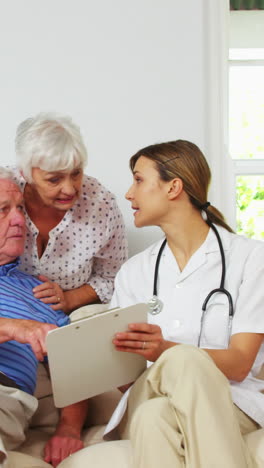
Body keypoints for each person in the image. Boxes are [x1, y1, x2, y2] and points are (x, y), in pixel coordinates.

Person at [104, 140, 264, 467]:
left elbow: (239, 364)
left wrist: (165, 348)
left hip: (232, 400)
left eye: (139, 180)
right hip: (148, 390)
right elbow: (121, 374)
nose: (129, 194)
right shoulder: (134, 272)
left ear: (173, 187)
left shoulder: (250, 258)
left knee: (154, 418)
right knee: (181, 364)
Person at [10, 112, 127, 314]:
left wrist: (69, 299)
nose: (70, 189)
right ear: (25, 174)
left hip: (71, 319)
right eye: (54, 179)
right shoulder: (5, 192)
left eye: (76, 173)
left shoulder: (101, 205)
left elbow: (114, 278)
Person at [0, 168, 77, 468]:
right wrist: (13, 328)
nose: (20, 220)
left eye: (20, 209)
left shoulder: (40, 293)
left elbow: (75, 368)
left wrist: (68, 428)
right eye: (3, 210)